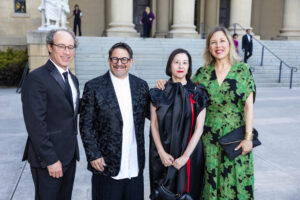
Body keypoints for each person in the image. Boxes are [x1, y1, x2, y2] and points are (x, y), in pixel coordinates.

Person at [156, 26, 256, 200]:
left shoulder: (243, 70)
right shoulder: (202, 74)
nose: (218, 45)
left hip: (235, 140)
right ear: (209, 47)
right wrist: (165, 84)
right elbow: (184, 88)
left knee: (236, 184)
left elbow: (249, 107)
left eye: (222, 41)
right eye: (213, 42)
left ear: (230, 44)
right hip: (208, 142)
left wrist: (248, 138)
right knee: (210, 186)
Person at [79, 42, 150, 200]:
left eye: (124, 59)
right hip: (106, 164)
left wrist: (166, 89)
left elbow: (154, 114)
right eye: (115, 59)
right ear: (109, 61)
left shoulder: (141, 86)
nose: (119, 63)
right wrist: (93, 154)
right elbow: (86, 125)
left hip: (134, 165)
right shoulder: (94, 87)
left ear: (131, 62)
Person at [21, 29, 80, 200]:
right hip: (49, 159)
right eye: (61, 46)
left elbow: (70, 109)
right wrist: (51, 160)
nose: (67, 52)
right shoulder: (36, 78)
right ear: (50, 47)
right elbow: (35, 124)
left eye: (71, 47)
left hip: (69, 155)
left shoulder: (72, 79)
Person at [149, 49, 209, 199]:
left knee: (188, 194)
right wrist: (162, 153)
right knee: (163, 194)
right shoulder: (158, 92)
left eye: (185, 62)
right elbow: (154, 126)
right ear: (170, 65)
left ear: (189, 67)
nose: (181, 66)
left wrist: (185, 157)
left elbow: (199, 128)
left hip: (190, 153)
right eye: (177, 62)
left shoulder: (198, 93)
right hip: (163, 153)